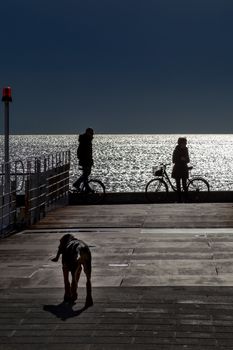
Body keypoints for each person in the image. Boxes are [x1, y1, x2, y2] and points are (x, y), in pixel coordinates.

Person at [171, 137, 190, 202]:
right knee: (178, 185)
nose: (185, 144)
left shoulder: (186, 150)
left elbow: (188, 160)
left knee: (184, 185)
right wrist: (181, 159)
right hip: (178, 169)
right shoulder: (176, 150)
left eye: (185, 143)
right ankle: (179, 199)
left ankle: (186, 199)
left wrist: (184, 159)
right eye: (184, 143)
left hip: (184, 169)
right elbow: (173, 160)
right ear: (180, 143)